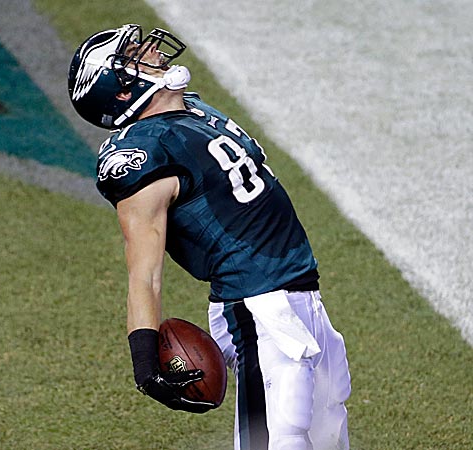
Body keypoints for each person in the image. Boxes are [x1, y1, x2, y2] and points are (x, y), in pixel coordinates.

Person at [67, 24, 351, 450]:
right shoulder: (141, 155)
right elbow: (145, 273)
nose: (150, 50)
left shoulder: (194, 110)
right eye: (133, 54)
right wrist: (145, 365)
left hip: (300, 294)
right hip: (256, 308)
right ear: (122, 91)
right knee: (279, 438)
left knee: (328, 436)